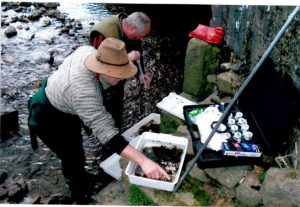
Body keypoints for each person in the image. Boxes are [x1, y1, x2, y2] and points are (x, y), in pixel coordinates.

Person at [27, 38, 170, 204]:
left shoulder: (90, 52)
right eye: (119, 75)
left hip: (64, 100)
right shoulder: (84, 92)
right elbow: (108, 135)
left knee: (76, 147)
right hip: (48, 116)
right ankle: (79, 193)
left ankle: (81, 176)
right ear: (104, 70)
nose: (122, 78)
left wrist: (125, 60)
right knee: (71, 155)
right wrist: (144, 161)